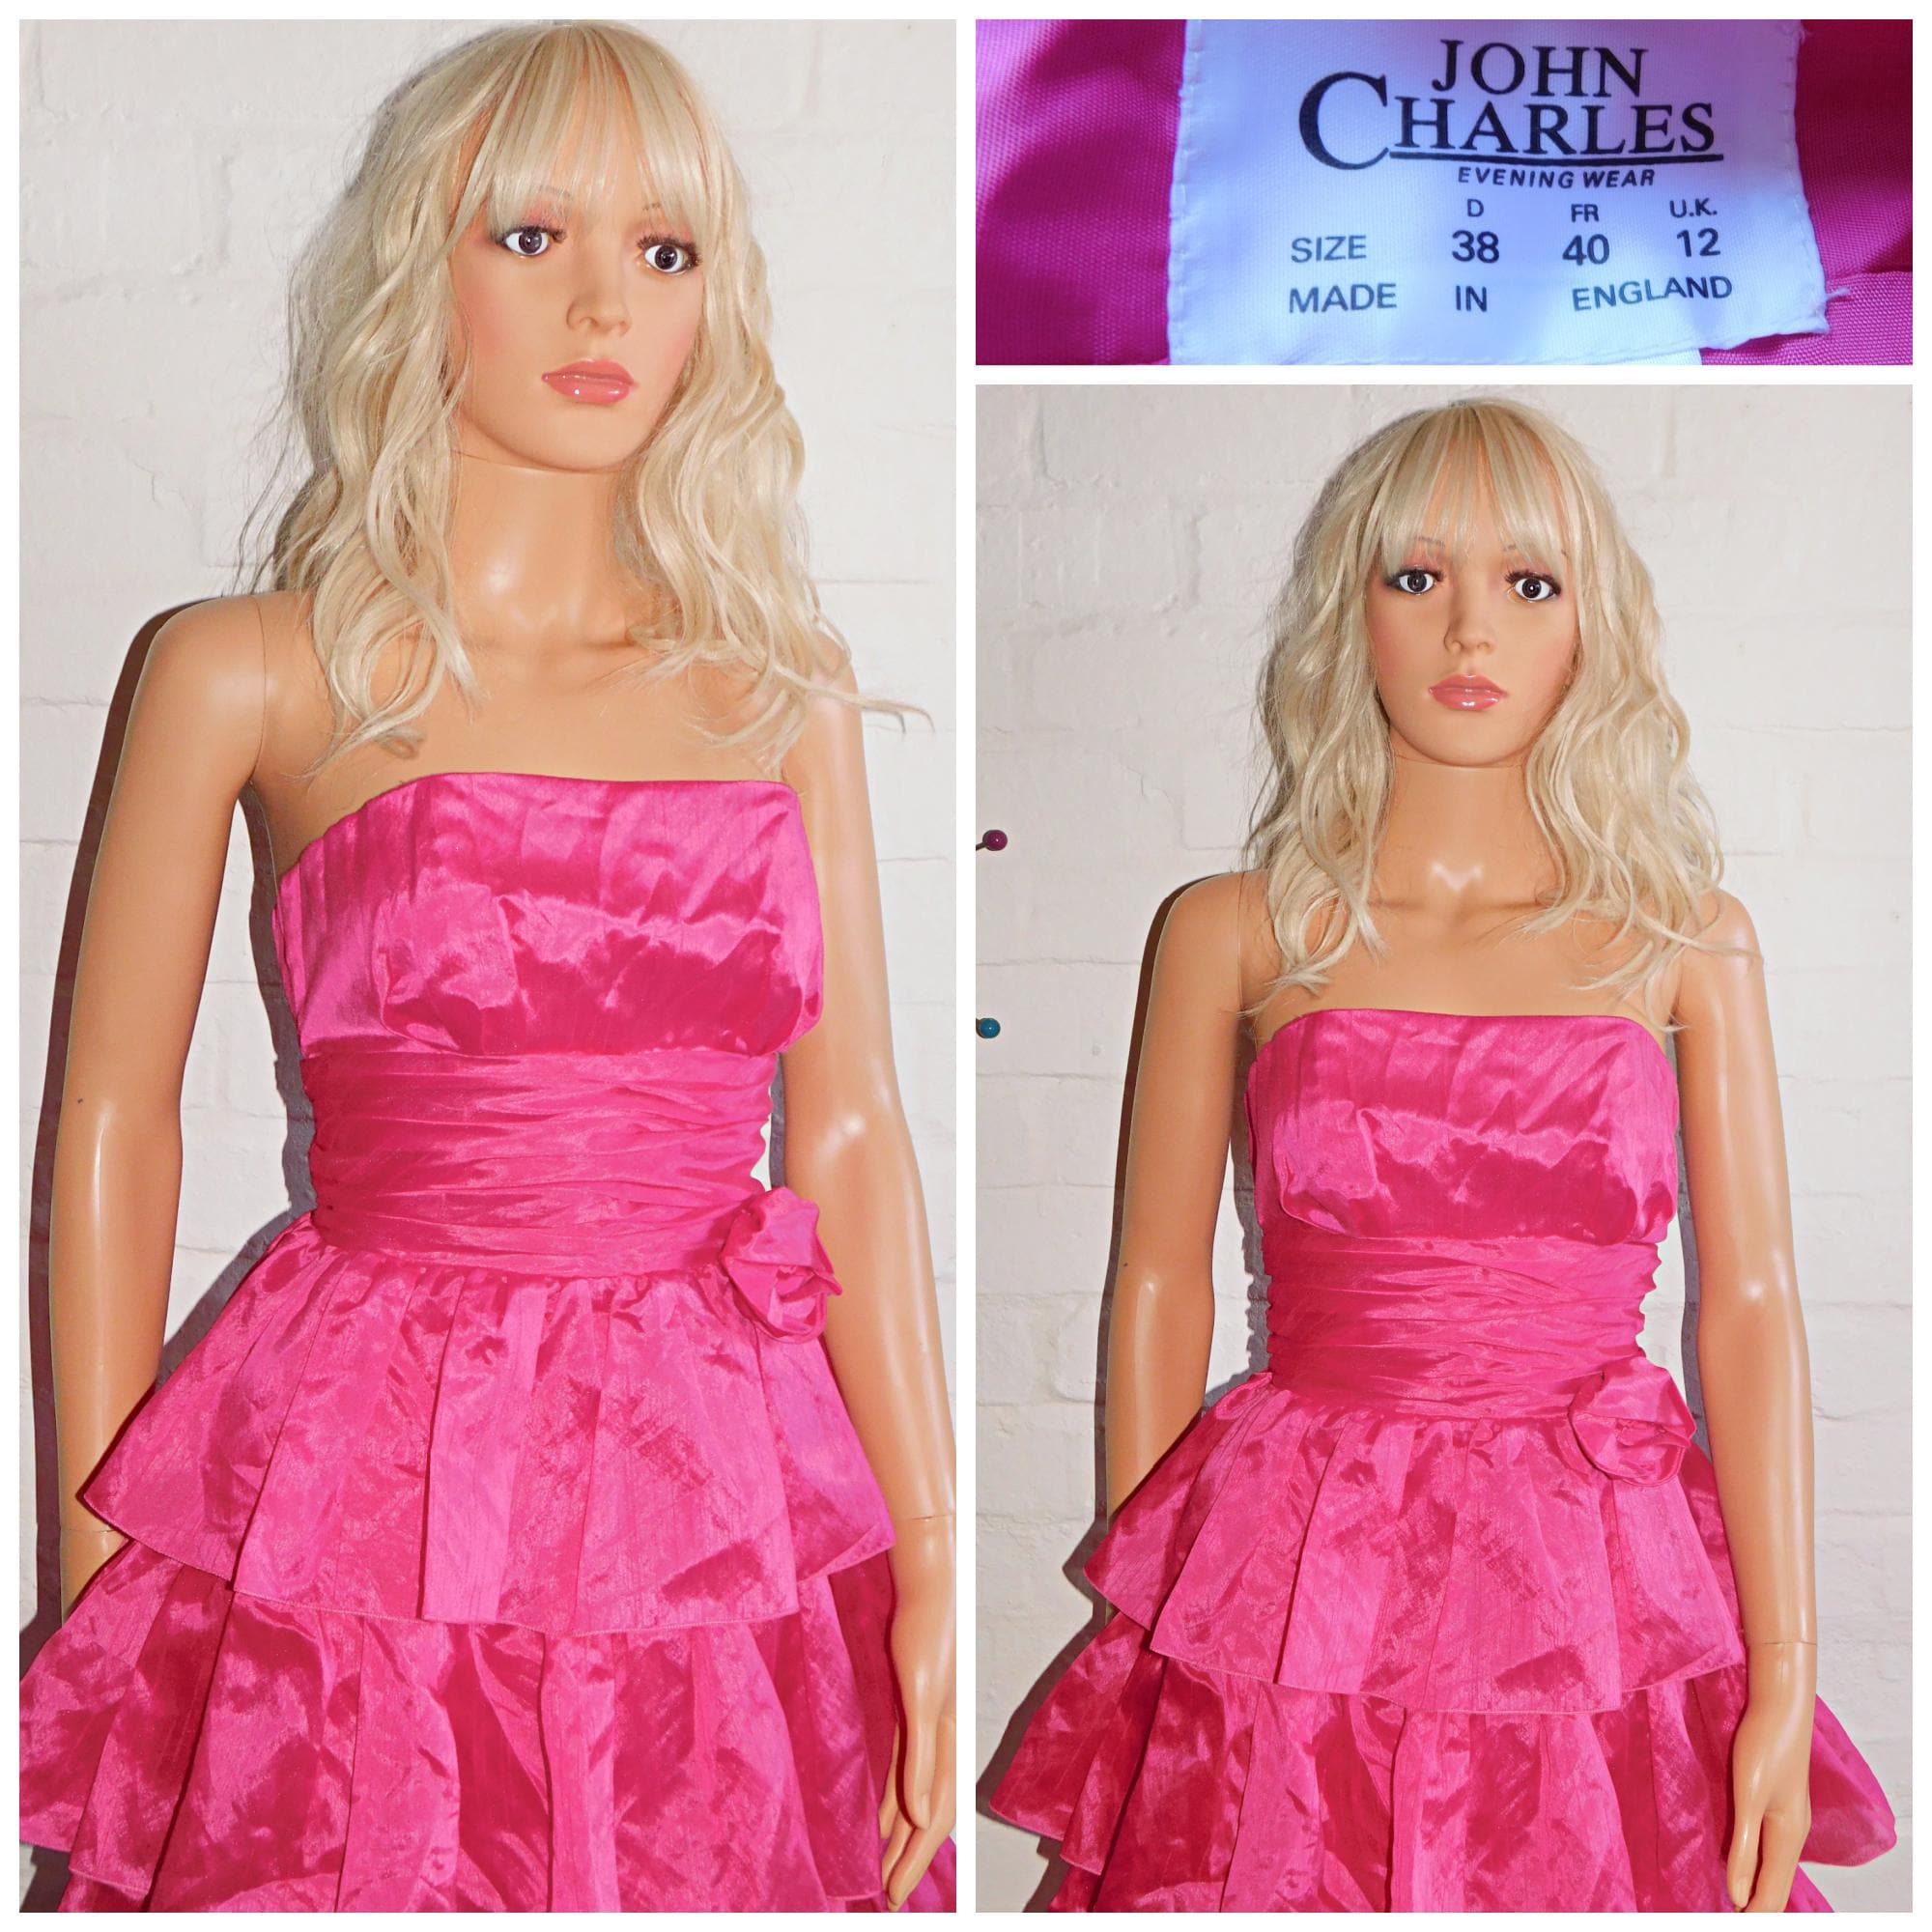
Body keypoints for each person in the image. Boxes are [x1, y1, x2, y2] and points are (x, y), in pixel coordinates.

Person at [21, 22, 954, 1912]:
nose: (607, 302)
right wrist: (96, 1562)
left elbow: (851, 1126)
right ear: (419, 268)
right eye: (533, 235)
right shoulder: (248, 669)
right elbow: (112, 1124)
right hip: (365, 1470)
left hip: (723, 1484)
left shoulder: (778, 692)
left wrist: (934, 1541)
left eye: (665, 251)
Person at [989, 398, 1893, 1911]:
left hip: (1594, 1571)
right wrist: (1159, 1628)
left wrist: (1788, 1667)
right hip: (1302, 1553)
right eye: (1417, 577)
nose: (1471, 628)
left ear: (1590, 624)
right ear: (1350, 616)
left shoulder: (1684, 942)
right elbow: (1157, 1282)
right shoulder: (1235, 929)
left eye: (1529, 583)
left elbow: (1751, 1305)